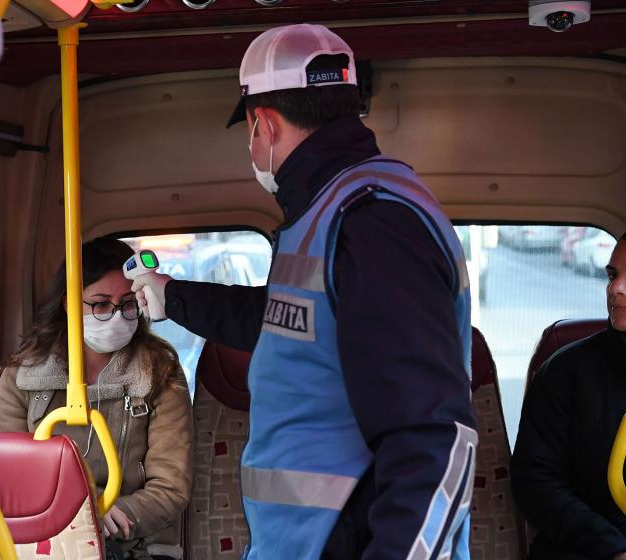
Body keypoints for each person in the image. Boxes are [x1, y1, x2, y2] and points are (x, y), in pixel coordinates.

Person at [133, 23, 477, 560]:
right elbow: (284, 318)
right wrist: (173, 296)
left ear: (262, 123)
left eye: (248, 131)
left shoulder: (371, 220)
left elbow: (433, 438)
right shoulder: (330, 211)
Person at [0, 237, 193, 560]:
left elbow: (170, 485)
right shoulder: (23, 376)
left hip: (138, 544)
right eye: (100, 305)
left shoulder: (160, 373)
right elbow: (6, 475)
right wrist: (84, 514)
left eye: (128, 304)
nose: (117, 317)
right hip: (46, 539)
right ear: (69, 303)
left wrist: (115, 514)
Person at [511, 209, 626, 560]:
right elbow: (536, 481)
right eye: (613, 275)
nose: (616, 288)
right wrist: (614, 551)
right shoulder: (566, 372)